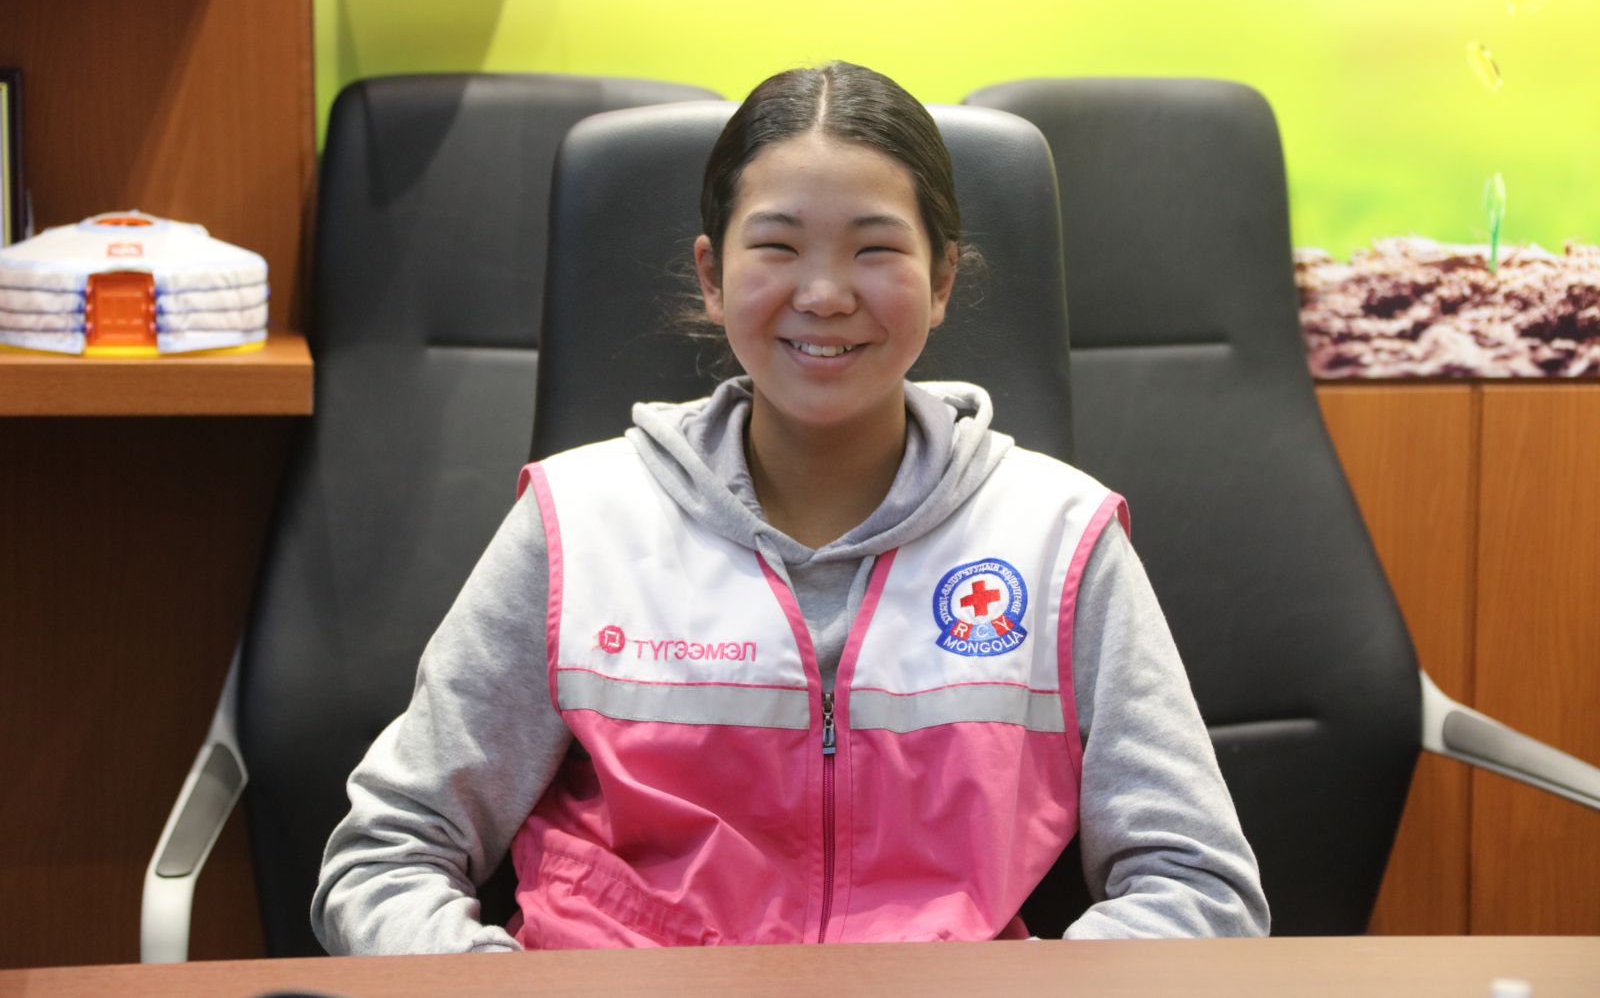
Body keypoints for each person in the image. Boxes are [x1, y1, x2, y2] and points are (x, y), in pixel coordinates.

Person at [311, 61, 1269, 953]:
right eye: (777, 246)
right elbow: (387, 853)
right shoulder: (580, 521)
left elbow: (1199, 882)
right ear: (712, 275)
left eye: (875, 249)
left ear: (942, 281)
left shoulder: (1058, 537)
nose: (823, 293)